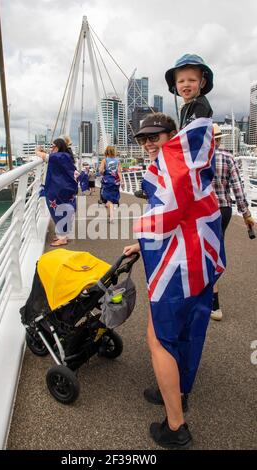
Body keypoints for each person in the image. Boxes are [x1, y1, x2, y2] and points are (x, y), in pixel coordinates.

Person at [124, 112, 225, 449]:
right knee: (185, 332)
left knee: (159, 339)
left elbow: (167, 214)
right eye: (144, 139)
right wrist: (141, 244)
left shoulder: (175, 166)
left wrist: (141, 234)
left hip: (180, 265)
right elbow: (187, 211)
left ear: (173, 134)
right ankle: (176, 390)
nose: (149, 143)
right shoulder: (189, 164)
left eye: (156, 136)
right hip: (198, 261)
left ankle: (176, 426)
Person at [211, 123, 255, 320]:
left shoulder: (195, 159)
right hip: (223, 210)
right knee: (215, 249)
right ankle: (213, 303)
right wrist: (246, 214)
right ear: (220, 139)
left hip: (201, 212)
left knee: (204, 251)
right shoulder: (228, 158)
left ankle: (214, 303)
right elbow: (238, 190)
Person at [36, 138, 78, 247]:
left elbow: (46, 157)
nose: (51, 148)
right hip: (65, 188)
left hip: (60, 189)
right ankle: (63, 235)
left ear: (58, 146)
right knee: (64, 210)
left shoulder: (61, 156)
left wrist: (37, 151)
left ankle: (62, 238)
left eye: (53, 146)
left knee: (58, 210)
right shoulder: (65, 156)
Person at [165, 54, 213, 129]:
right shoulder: (185, 107)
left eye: (192, 80)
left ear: (202, 83)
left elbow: (194, 133)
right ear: (175, 85)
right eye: (181, 81)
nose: (186, 84)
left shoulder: (200, 104)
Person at [99, 146, 123, 223]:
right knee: (111, 199)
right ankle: (109, 215)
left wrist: (103, 172)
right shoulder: (118, 161)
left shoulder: (104, 160)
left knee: (107, 199)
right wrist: (122, 181)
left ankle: (111, 215)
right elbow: (119, 172)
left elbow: (101, 171)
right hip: (116, 182)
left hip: (107, 181)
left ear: (106, 152)